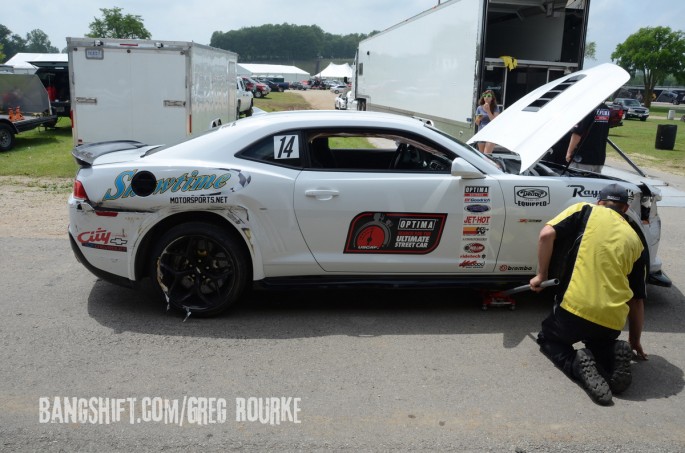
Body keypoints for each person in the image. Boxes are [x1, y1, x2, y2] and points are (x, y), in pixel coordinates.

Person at [529, 183, 648, 405]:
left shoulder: (585, 210)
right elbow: (637, 300)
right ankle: (611, 352)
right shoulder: (635, 240)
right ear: (625, 209)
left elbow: (546, 234)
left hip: (574, 309)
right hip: (610, 321)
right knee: (599, 343)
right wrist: (634, 340)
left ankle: (576, 363)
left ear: (599, 202)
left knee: (549, 338)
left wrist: (540, 275)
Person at [565, 103, 611, 173]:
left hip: (582, 158)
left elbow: (577, 133)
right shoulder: (606, 109)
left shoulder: (587, 108)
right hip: (598, 157)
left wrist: (569, 152)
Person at [475, 90, 500, 154]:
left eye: (489, 96)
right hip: (481, 133)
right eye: (484, 96)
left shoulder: (495, 107)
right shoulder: (479, 108)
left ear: (492, 98)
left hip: (490, 134)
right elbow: (477, 123)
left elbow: (495, 122)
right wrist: (479, 118)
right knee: (481, 155)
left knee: (487, 155)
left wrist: (488, 111)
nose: (486, 97)